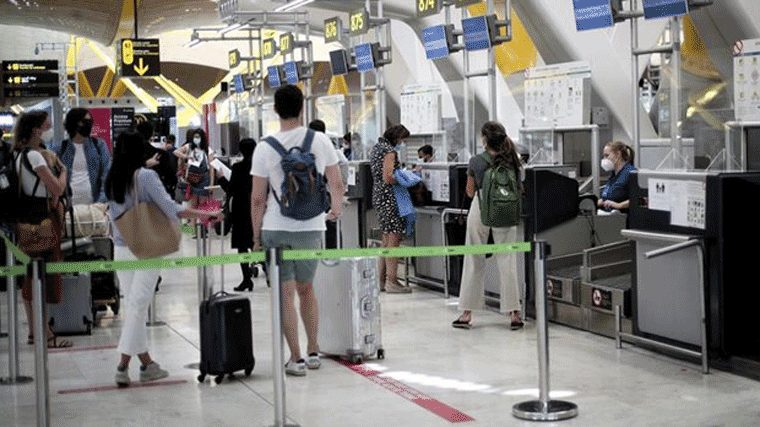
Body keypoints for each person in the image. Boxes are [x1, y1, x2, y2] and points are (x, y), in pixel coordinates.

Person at [106, 131, 222, 387]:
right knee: (138, 306)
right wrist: (204, 213)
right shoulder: (146, 176)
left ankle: (147, 363)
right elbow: (172, 209)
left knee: (134, 306)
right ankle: (122, 365)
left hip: (121, 247)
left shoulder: (113, 177)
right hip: (147, 246)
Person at [251, 85, 344, 376]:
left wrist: (256, 236)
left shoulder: (265, 147)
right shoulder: (320, 140)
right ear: (303, 108)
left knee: (285, 295)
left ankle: (296, 358)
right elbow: (336, 183)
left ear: (275, 110)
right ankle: (314, 351)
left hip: (276, 228)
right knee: (307, 290)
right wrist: (335, 211)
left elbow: (257, 198)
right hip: (312, 227)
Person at [453, 121, 524, 330]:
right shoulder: (513, 160)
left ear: (484, 140)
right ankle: (514, 314)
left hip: (481, 207)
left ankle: (466, 314)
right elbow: (519, 189)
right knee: (507, 260)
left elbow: (469, 192)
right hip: (506, 210)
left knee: (473, 259)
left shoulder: (476, 161)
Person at [12, 111, 72, 348]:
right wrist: (63, 171)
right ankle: (45, 334)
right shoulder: (36, 157)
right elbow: (57, 189)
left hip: (26, 220)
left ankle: (34, 331)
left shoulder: (19, 155)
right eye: (46, 125)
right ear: (36, 130)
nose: (49, 128)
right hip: (43, 221)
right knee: (42, 278)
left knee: (30, 278)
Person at [370, 124, 413, 294]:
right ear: (396, 137)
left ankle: (381, 280)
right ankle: (392, 281)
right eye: (402, 140)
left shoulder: (377, 148)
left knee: (386, 238)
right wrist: (406, 177)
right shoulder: (389, 151)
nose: (402, 143)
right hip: (390, 198)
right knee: (394, 239)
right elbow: (388, 177)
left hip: (379, 196)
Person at [50, 108, 110, 204]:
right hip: (68, 204)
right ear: (74, 123)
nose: (88, 125)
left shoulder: (99, 145)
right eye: (85, 121)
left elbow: (106, 174)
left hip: (95, 204)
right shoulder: (60, 148)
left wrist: (101, 201)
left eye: (90, 121)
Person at [309, 119, 347, 249]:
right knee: (330, 227)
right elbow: (342, 165)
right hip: (323, 192)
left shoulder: (303, 145)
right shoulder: (327, 145)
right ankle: (332, 255)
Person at [230, 138, 260, 292]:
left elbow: (231, 190)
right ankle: (270, 276)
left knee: (242, 247)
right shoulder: (260, 167)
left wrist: (221, 177)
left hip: (241, 211)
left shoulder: (238, 168)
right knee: (259, 244)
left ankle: (246, 279)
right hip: (257, 210)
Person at [173, 129, 215, 209]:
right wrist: (186, 156)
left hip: (204, 180)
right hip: (191, 179)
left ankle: (200, 216)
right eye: (195, 137)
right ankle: (194, 217)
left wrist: (211, 184)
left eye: (198, 137)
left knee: (202, 205)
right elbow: (176, 152)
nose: (196, 139)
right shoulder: (189, 147)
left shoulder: (207, 150)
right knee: (193, 204)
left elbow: (211, 168)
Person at [597, 141, 636, 213]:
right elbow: (608, 196)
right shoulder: (613, 175)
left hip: (622, 216)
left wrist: (619, 205)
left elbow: (638, 199)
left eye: (607, 155)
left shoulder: (631, 173)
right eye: (604, 156)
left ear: (618, 154)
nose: (604, 159)